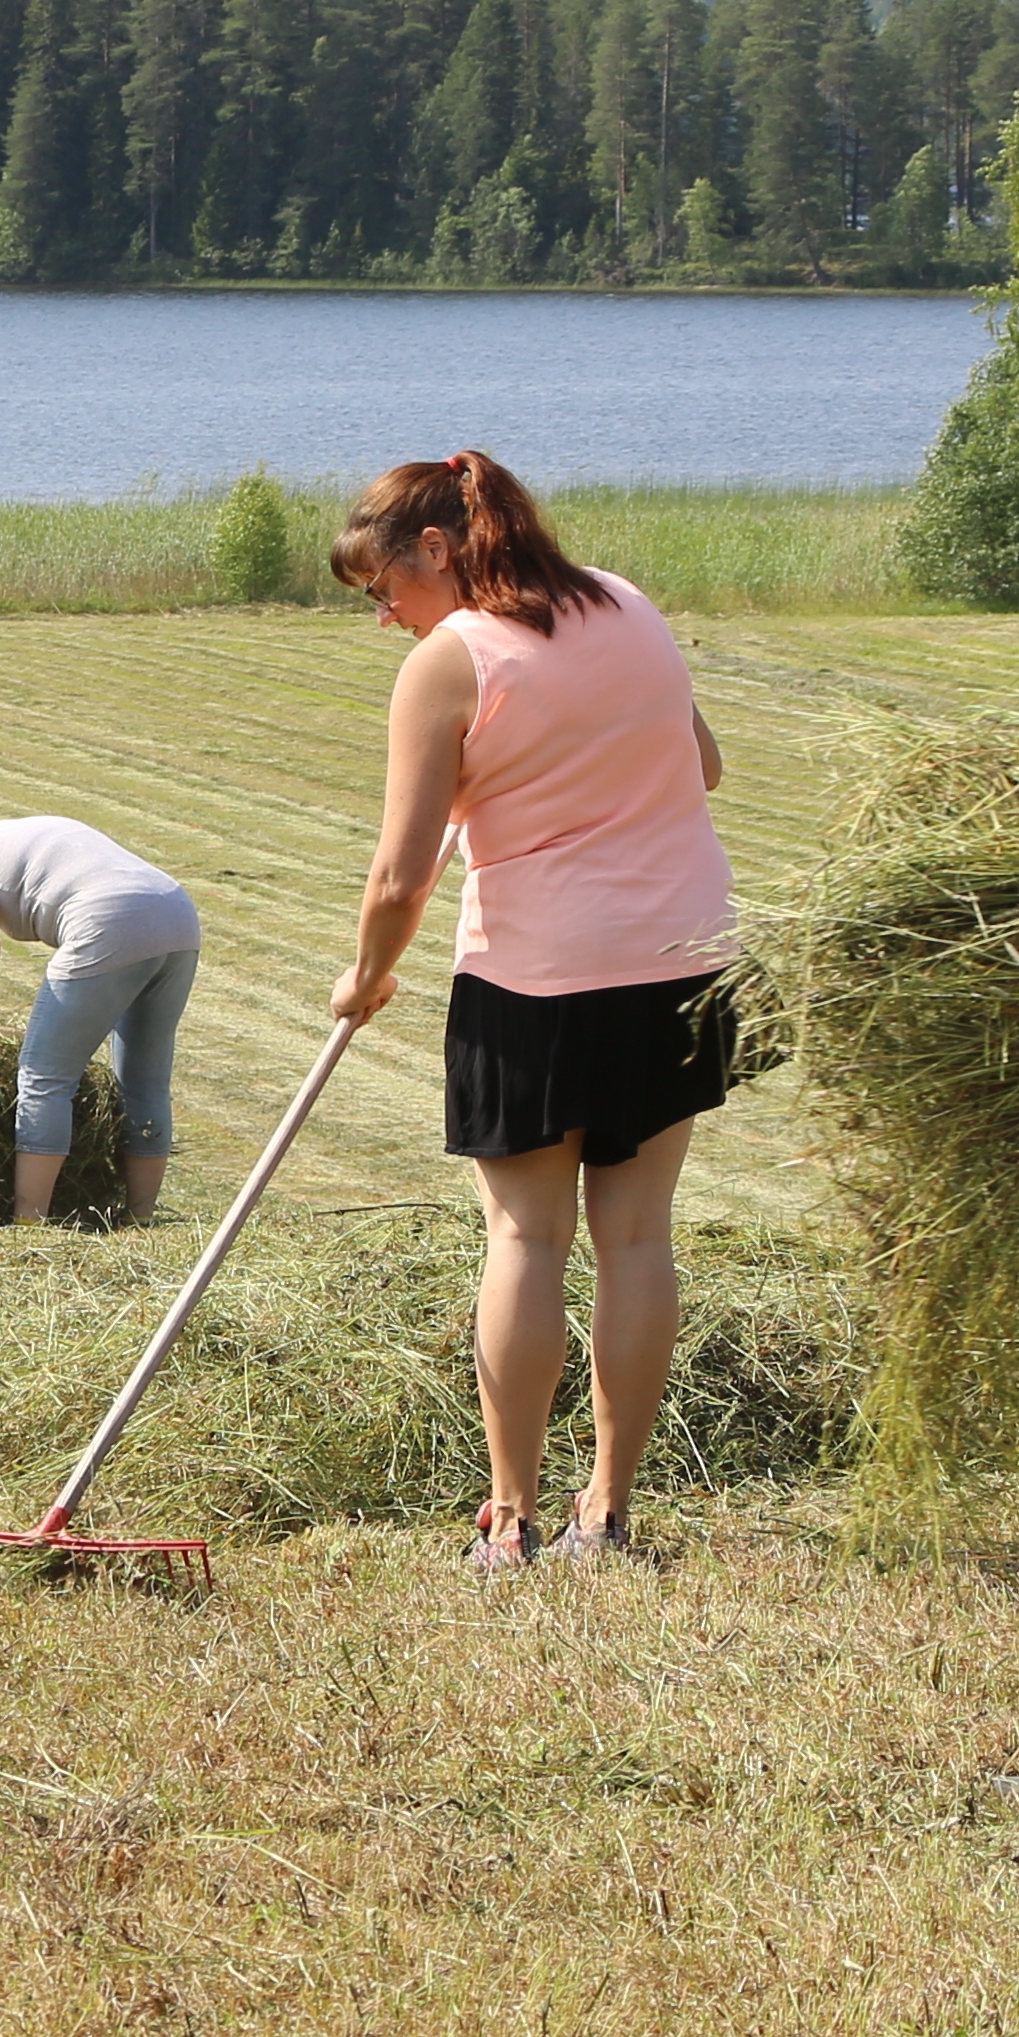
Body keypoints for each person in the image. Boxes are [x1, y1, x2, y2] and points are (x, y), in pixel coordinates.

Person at [325, 449, 738, 1571]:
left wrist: (367, 974)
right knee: (640, 1234)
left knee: (525, 1235)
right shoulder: (628, 601)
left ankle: (508, 1520)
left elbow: (401, 878)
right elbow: (700, 764)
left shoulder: (450, 661)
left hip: (540, 978)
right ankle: (605, 1516)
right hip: (681, 963)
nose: (386, 619)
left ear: (439, 552)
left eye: (385, 591)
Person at [0, 787, 197, 1226]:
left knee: (44, 1076)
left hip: (107, 919)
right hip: (178, 916)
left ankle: (30, 1225)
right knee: (144, 1083)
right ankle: (141, 1222)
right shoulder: (27, 831)